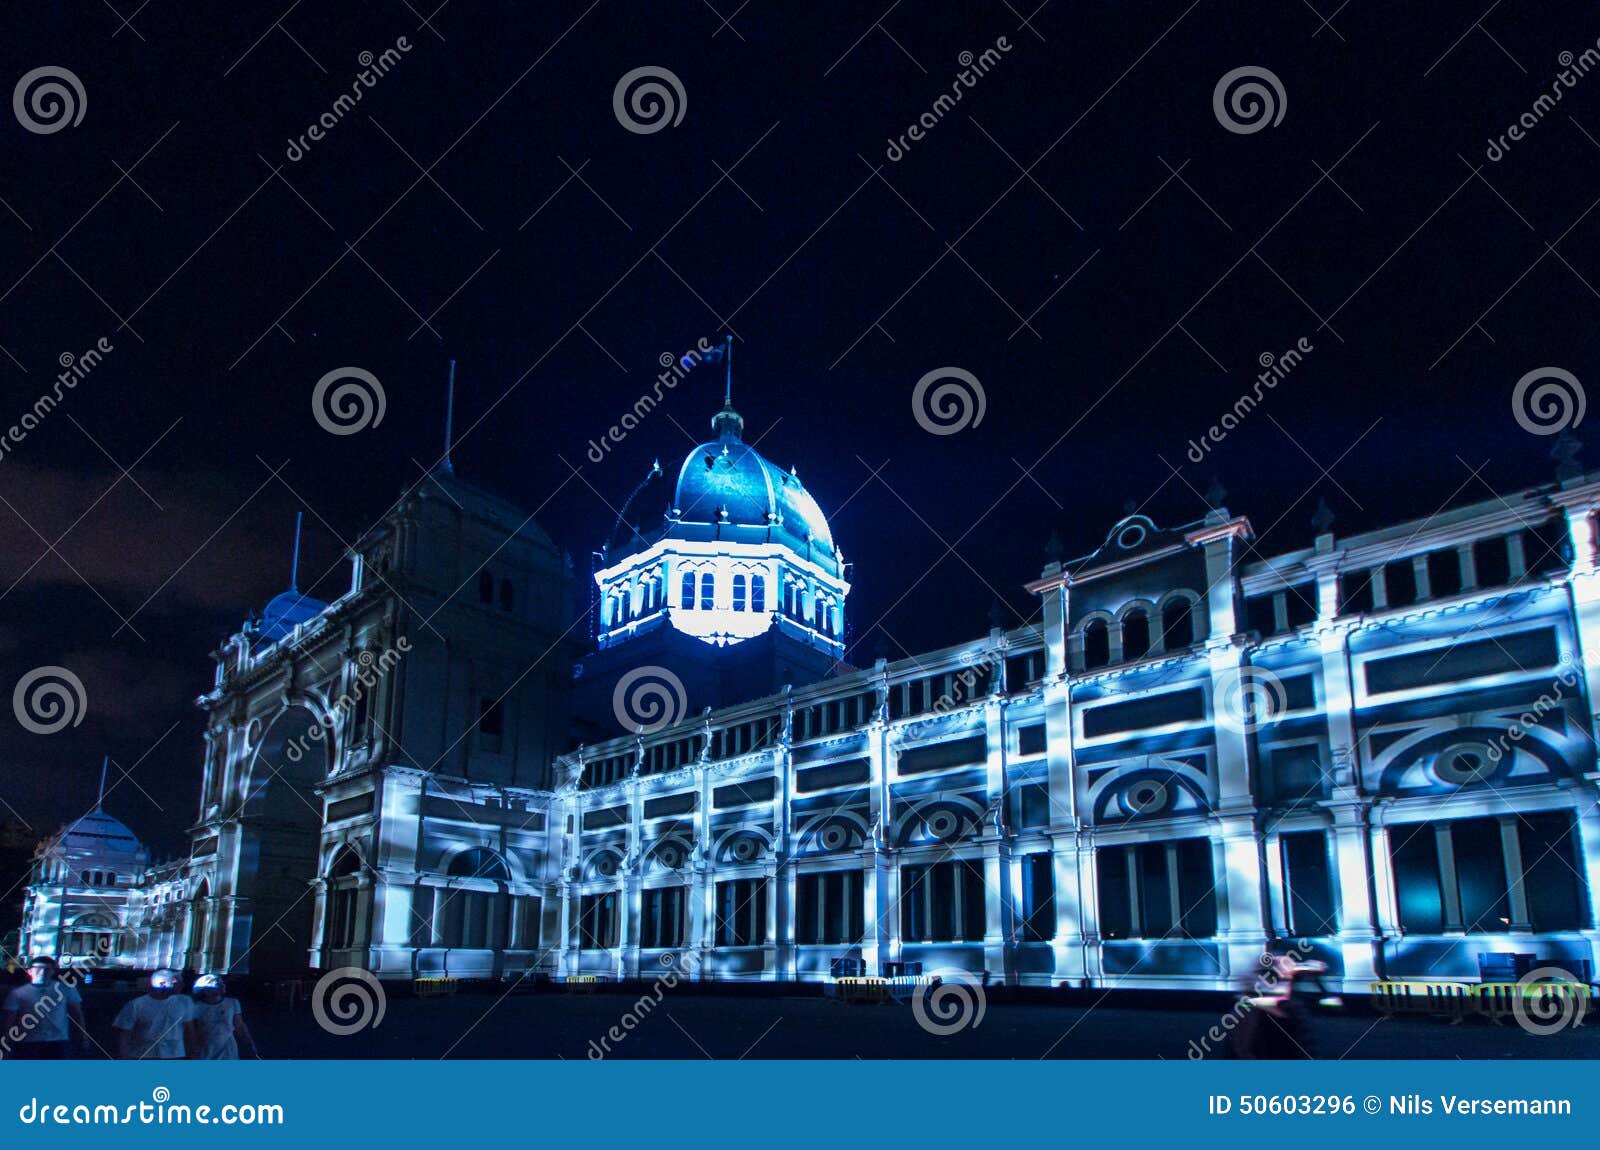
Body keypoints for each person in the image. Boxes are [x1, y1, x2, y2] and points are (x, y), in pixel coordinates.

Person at [0, 957, 85, 1059]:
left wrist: (83, 1036)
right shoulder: (18, 993)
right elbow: (9, 1021)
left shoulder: (65, 989)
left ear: (53, 971)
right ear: (30, 971)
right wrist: (7, 1043)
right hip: (29, 1042)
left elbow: (77, 1014)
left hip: (57, 1042)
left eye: (47, 969)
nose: (42, 972)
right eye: (38, 968)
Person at [113, 969, 195, 1060]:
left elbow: (190, 1029)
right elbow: (124, 1033)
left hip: (174, 1055)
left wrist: (191, 1054)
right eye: (176, 981)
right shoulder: (136, 1005)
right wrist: (123, 1057)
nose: (181, 985)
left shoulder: (184, 1002)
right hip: (144, 1055)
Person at [187, 975, 258, 1059]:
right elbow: (191, 1030)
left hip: (228, 1050)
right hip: (206, 1049)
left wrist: (249, 1043)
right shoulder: (196, 1007)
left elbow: (239, 1026)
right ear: (207, 990)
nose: (223, 985)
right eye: (218, 984)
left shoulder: (232, 1003)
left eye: (222, 983)